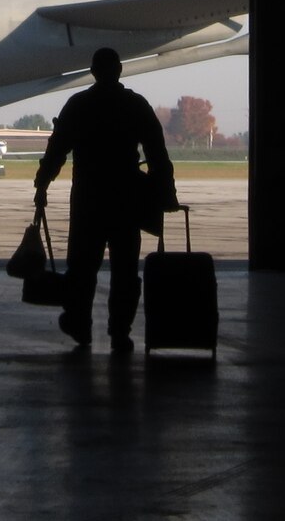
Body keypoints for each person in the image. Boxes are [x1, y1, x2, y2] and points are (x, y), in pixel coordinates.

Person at [33, 47, 177, 352]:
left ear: (94, 71)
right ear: (120, 70)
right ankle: (120, 332)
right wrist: (166, 194)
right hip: (126, 199)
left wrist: (42, 185)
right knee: (125, 269)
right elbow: (157, 154)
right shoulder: (135, 105)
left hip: (88, 199)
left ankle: (80, 325)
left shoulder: (78, 105)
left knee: (82, 267)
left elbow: (56, 150)